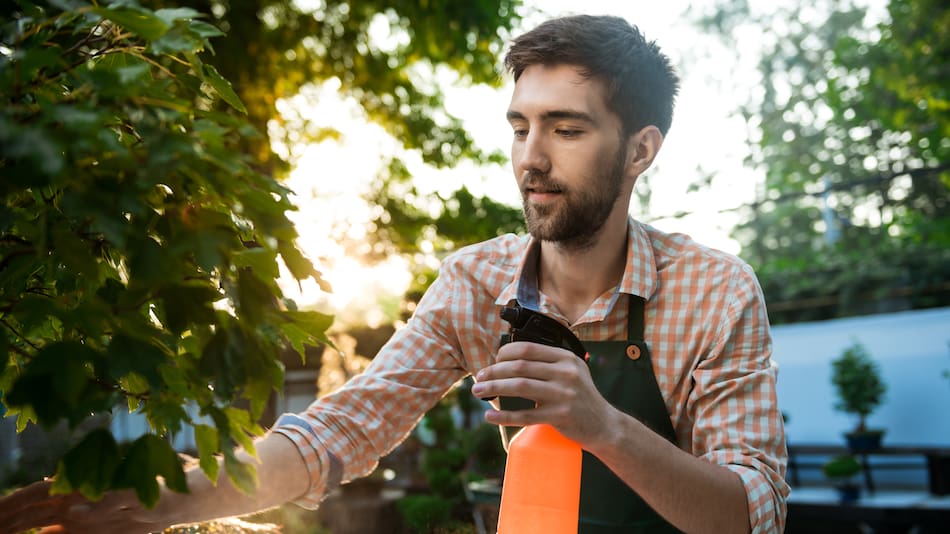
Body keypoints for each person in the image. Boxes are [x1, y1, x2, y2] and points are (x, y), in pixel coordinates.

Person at [0, 14, 788, 534]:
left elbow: (753, 511)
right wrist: (161, 498)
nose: (531, 159)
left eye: (567, 129)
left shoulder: (714, 291)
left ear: (642, 149)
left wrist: (605, 427)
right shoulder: (476, 284)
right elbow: (343, 428)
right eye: (520, 127)